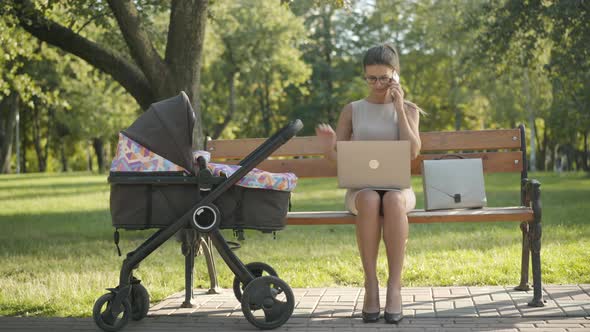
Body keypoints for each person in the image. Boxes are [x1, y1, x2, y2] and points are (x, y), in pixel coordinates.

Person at [315, 43, 423, 324]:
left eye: (384, 78)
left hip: (400, 190)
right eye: (371, 78)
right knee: (371, 199)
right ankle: (371, 285)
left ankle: (395, 288)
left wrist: (398, 106)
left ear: (395, 75)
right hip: (360, 191)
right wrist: (328, 147)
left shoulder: (409, 109)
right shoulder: (352, 110)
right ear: (364, 76)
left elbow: (413, 151)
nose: (378, 84)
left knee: (392, 199)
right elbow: (335, 158)